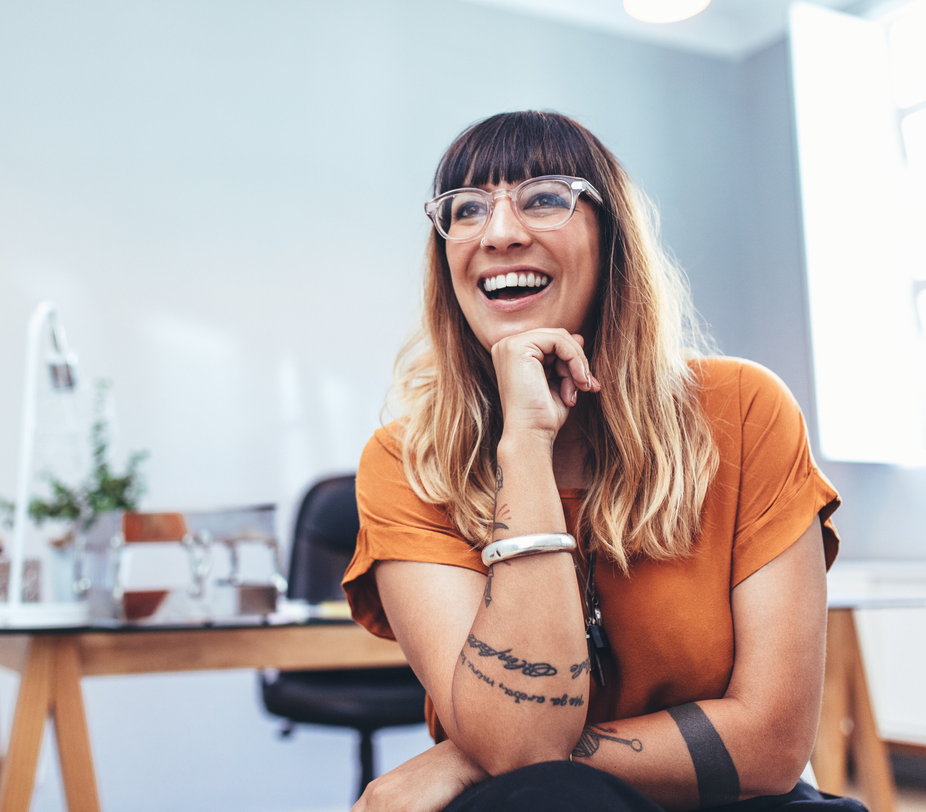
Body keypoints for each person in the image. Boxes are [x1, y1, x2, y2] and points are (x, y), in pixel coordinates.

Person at [341, 111, 866, 812]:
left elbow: (772, 744)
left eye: (544, 197)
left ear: (611, 236)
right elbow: (527, 760)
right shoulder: (406, 461)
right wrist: (524, 444)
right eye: (466, 210)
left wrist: (474, 757)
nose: (499, 233)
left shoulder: (745, 409)